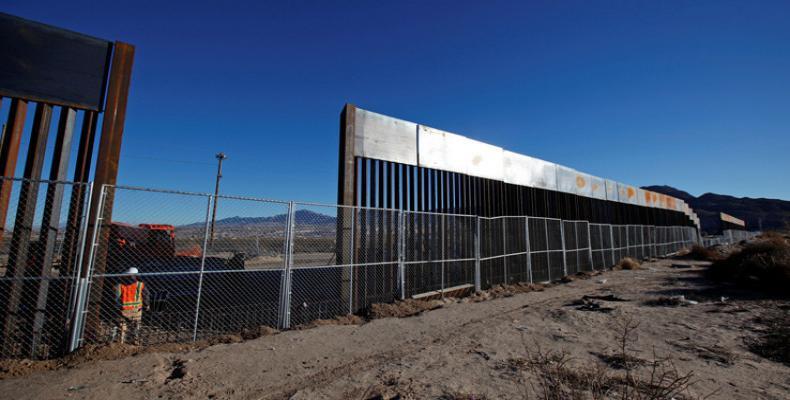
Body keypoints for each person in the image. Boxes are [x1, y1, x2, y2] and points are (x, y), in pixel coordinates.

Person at [115, 267, 147, 344]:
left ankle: (121, 342)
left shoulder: (119, 285)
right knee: (136, 326)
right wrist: (146, 305)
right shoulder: (140, 285)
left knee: (122, 326)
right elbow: (146, 295)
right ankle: (135, 340)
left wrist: (117, 307)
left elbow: (116, 298)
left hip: (124, 310)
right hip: (137, 309)